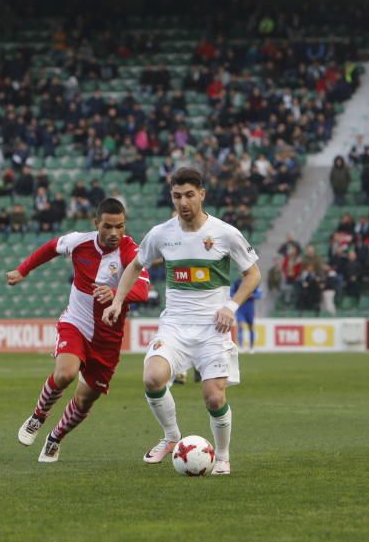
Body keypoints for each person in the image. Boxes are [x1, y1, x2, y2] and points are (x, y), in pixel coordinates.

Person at [103, 167, 261, 476]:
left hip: (213, 328)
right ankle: (172, 436)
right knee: (152, 378)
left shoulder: (225, 233)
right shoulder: (162, 233)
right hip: (175, 325)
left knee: (214, 396)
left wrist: (231, 306)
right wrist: (117, 301)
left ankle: (223, 456)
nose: (183, 202)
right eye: (177, 196)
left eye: (189, 195)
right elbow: (135, 266)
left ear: (202, 194)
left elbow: (253, 273)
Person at [9, 198, 150, 463]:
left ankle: (55, 438)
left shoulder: (131, 252)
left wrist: (116, 294)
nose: (114, 233)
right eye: (108, 226)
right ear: (96, 223)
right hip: (76, 322)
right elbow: (51, 247)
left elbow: (143, 290)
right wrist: (23, 270)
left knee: (85, 400)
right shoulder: (78, 242)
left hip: (108, 339)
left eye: (120, 227)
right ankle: (37, 418)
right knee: (65, 374)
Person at [230, 276, 262, 353]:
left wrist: (252, 295)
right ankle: (241, 346)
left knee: (251, 327)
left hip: (250, 308)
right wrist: (239, 295)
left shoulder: (254, 282)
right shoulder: (237, 282)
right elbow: (231, 293)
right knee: (240, 326)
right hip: (240, 307)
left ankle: (251, 347)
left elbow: (259, 294)